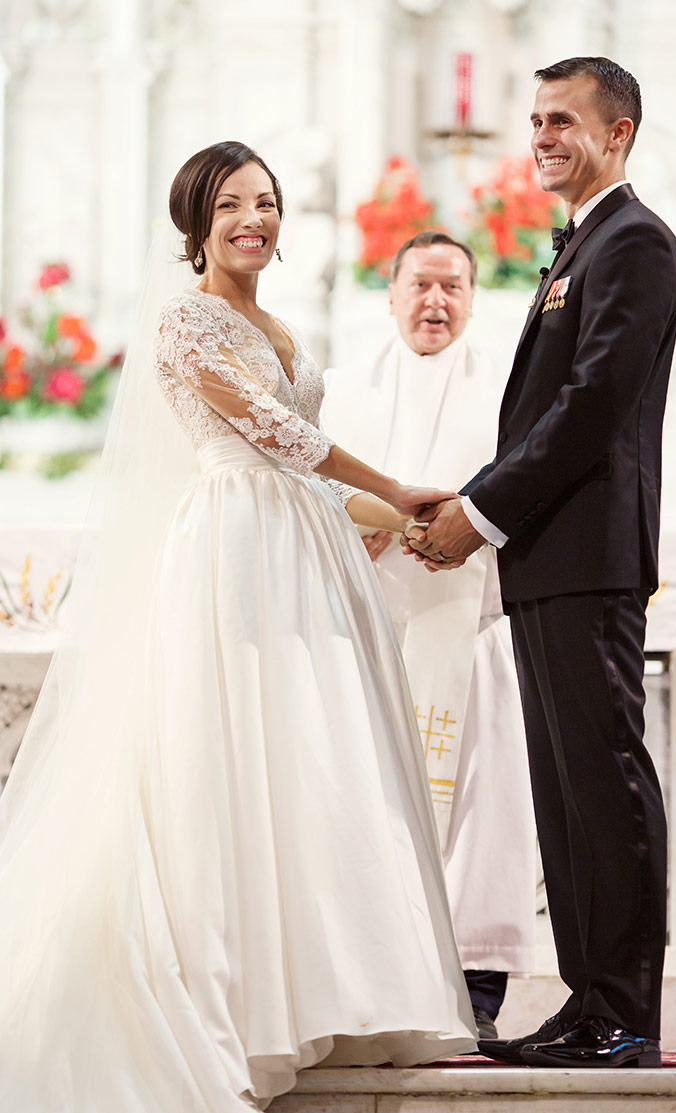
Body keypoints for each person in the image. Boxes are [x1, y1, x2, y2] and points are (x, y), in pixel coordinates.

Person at [0, 141, 477, 1113]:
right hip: (235, 545)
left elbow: (310, 477)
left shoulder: (280, 326)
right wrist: (394, 486)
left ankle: (328, 993)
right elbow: (275, 433)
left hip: (306, 544)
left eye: (264, 202)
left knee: (312, 759)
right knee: (235, 751)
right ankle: (238, 1000)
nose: (252, 219)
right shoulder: (185, 319)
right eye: (228, 205)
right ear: (195, 223)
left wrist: (412, 526)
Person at [405, 57, 676, 1068]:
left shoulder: (634, 240)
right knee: (567, 795)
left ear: (618, 132)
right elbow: (546, 415)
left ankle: (626, 1014)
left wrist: (480, 511)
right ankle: (587, 1000)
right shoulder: (581, 244)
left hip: (588, 552)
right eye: (535, 121)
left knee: (604, 780)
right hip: (549, 554)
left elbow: (591, 405)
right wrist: (475, 500)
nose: (542, 137)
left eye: (563, 120)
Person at [322, 230, 536, 1040]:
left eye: (453, 286)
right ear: (391, 294)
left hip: (473, 629)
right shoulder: (341, 391)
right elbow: (305, 486)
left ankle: (477, 984)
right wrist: (352, 521)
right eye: (421, 284)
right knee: (366, 803)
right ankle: (372, 979)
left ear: (474, 300)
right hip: (368, 634)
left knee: (484, 806)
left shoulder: (512, 389)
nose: (436, 301)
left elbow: (533, 487)